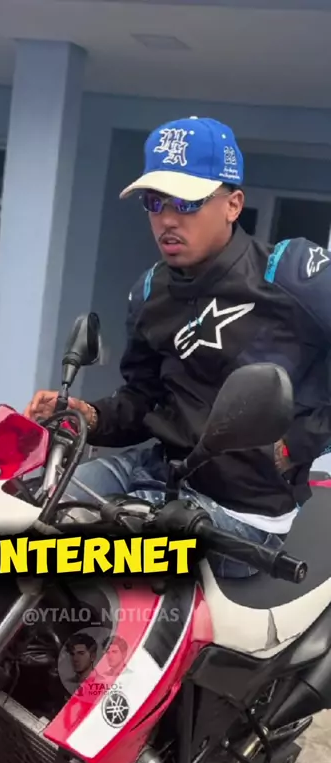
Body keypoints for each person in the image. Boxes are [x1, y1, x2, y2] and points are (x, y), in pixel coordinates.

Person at [25, 116, 331, 578]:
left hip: (241, 513)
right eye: (155, 202)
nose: (167, 219)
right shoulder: (150, 292)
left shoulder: (289, 273)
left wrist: (300, 442)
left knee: (74, 557)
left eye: (187, 202)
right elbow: (143, 400)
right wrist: (89, 415)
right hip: (158, 472)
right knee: (32, 509)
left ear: (233, 205)